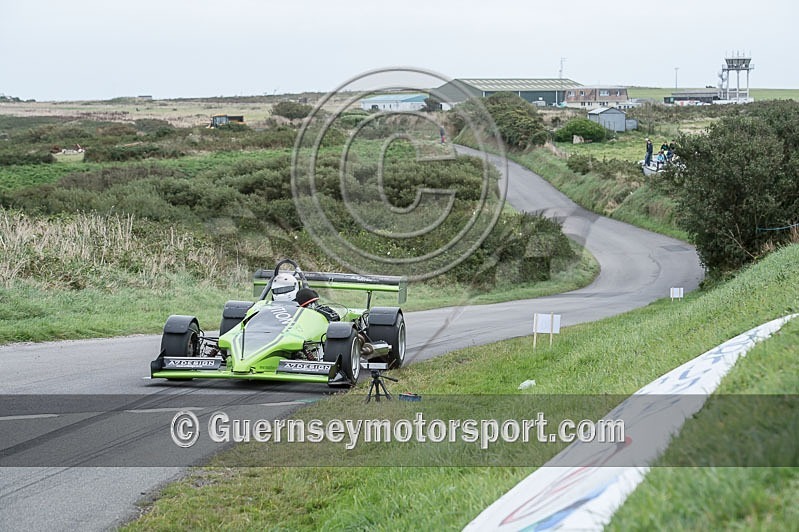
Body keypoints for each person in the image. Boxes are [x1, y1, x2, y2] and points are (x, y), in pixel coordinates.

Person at [271, 273, 339, 321]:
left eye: (286, 288)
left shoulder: (305, 306)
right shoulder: (266, 306)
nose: (282, 292)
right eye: (278, 290)